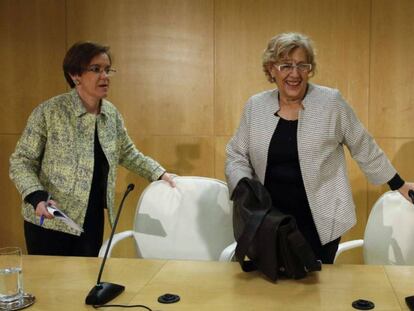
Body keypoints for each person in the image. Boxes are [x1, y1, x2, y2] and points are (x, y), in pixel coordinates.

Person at [225, 32, 414, 264]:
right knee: (269, 291)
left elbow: (362, 144)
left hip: (320, 220)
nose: (294, 74)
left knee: (313, 290)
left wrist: (399, 184)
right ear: (272, 68)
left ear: (309, 69)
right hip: (269, 217)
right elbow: (236, 153)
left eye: (302, 65)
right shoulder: (256, 106)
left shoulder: (331, 102)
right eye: (286, 65)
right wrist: (243, 185)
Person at [9, 41, 175, 257]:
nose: (104, 76)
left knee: (86, 284)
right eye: (96, 69)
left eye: (107, 70)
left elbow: (127, 153)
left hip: (91, 220)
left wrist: (160, 173)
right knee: (52, 288)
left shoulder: (111, 114)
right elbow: (21, 161)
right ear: (75, 75)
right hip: (50, 221)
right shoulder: (50, 112)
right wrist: (36, 197)